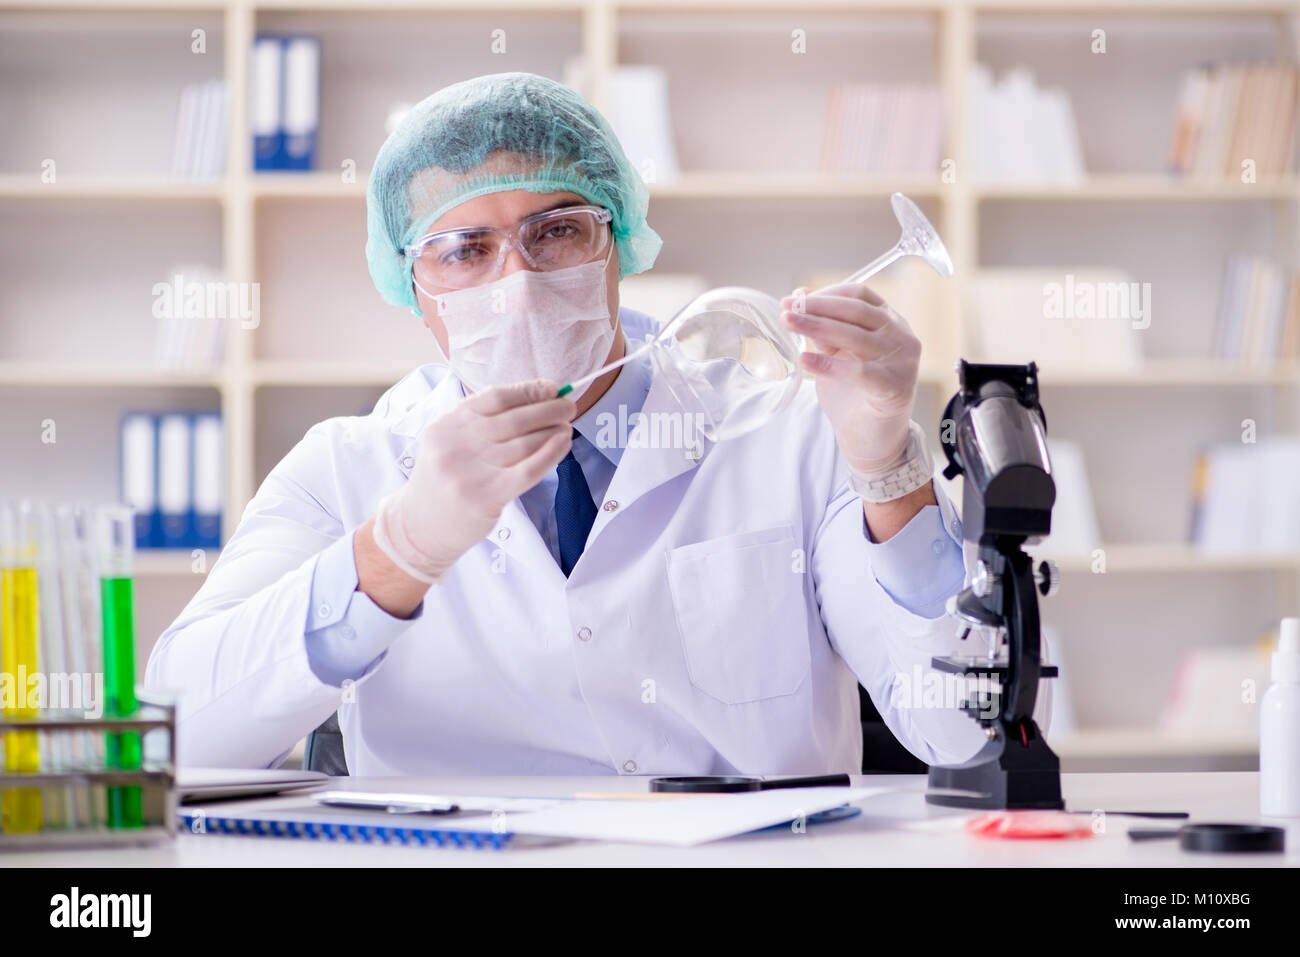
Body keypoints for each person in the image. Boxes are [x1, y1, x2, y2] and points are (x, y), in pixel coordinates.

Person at [145, 72, 986, 775]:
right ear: (415, 291)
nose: (517, 277)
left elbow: (970, 731)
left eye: (556, 231)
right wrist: (395, 553)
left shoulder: (794, 436)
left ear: (618, 241)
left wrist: (886, 464)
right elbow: (178, 739)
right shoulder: (344, 468)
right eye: (466, 248)